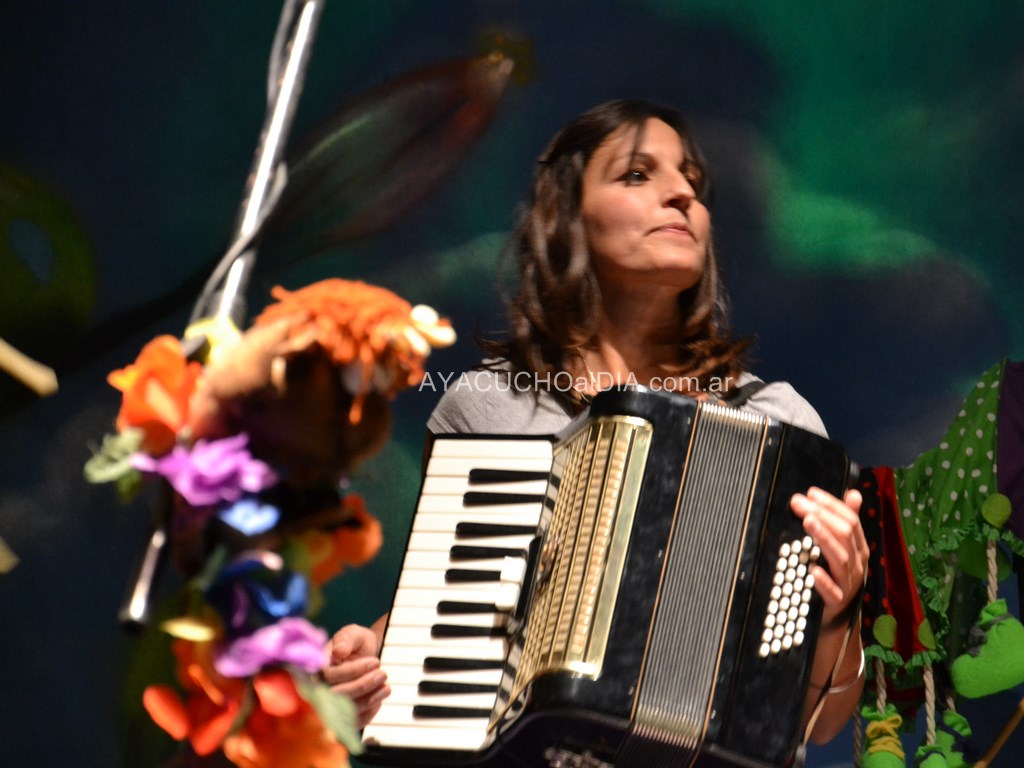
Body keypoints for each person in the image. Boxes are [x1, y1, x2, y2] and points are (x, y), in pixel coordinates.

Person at [322, 98, 868, 748]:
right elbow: (445, 621)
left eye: (693, 182)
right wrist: (369, 658)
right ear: (568, 219)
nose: (681, 194)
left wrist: (840, 610)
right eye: (637, 174)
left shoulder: (779, 424)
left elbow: (818, 723)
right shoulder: (490, 407)